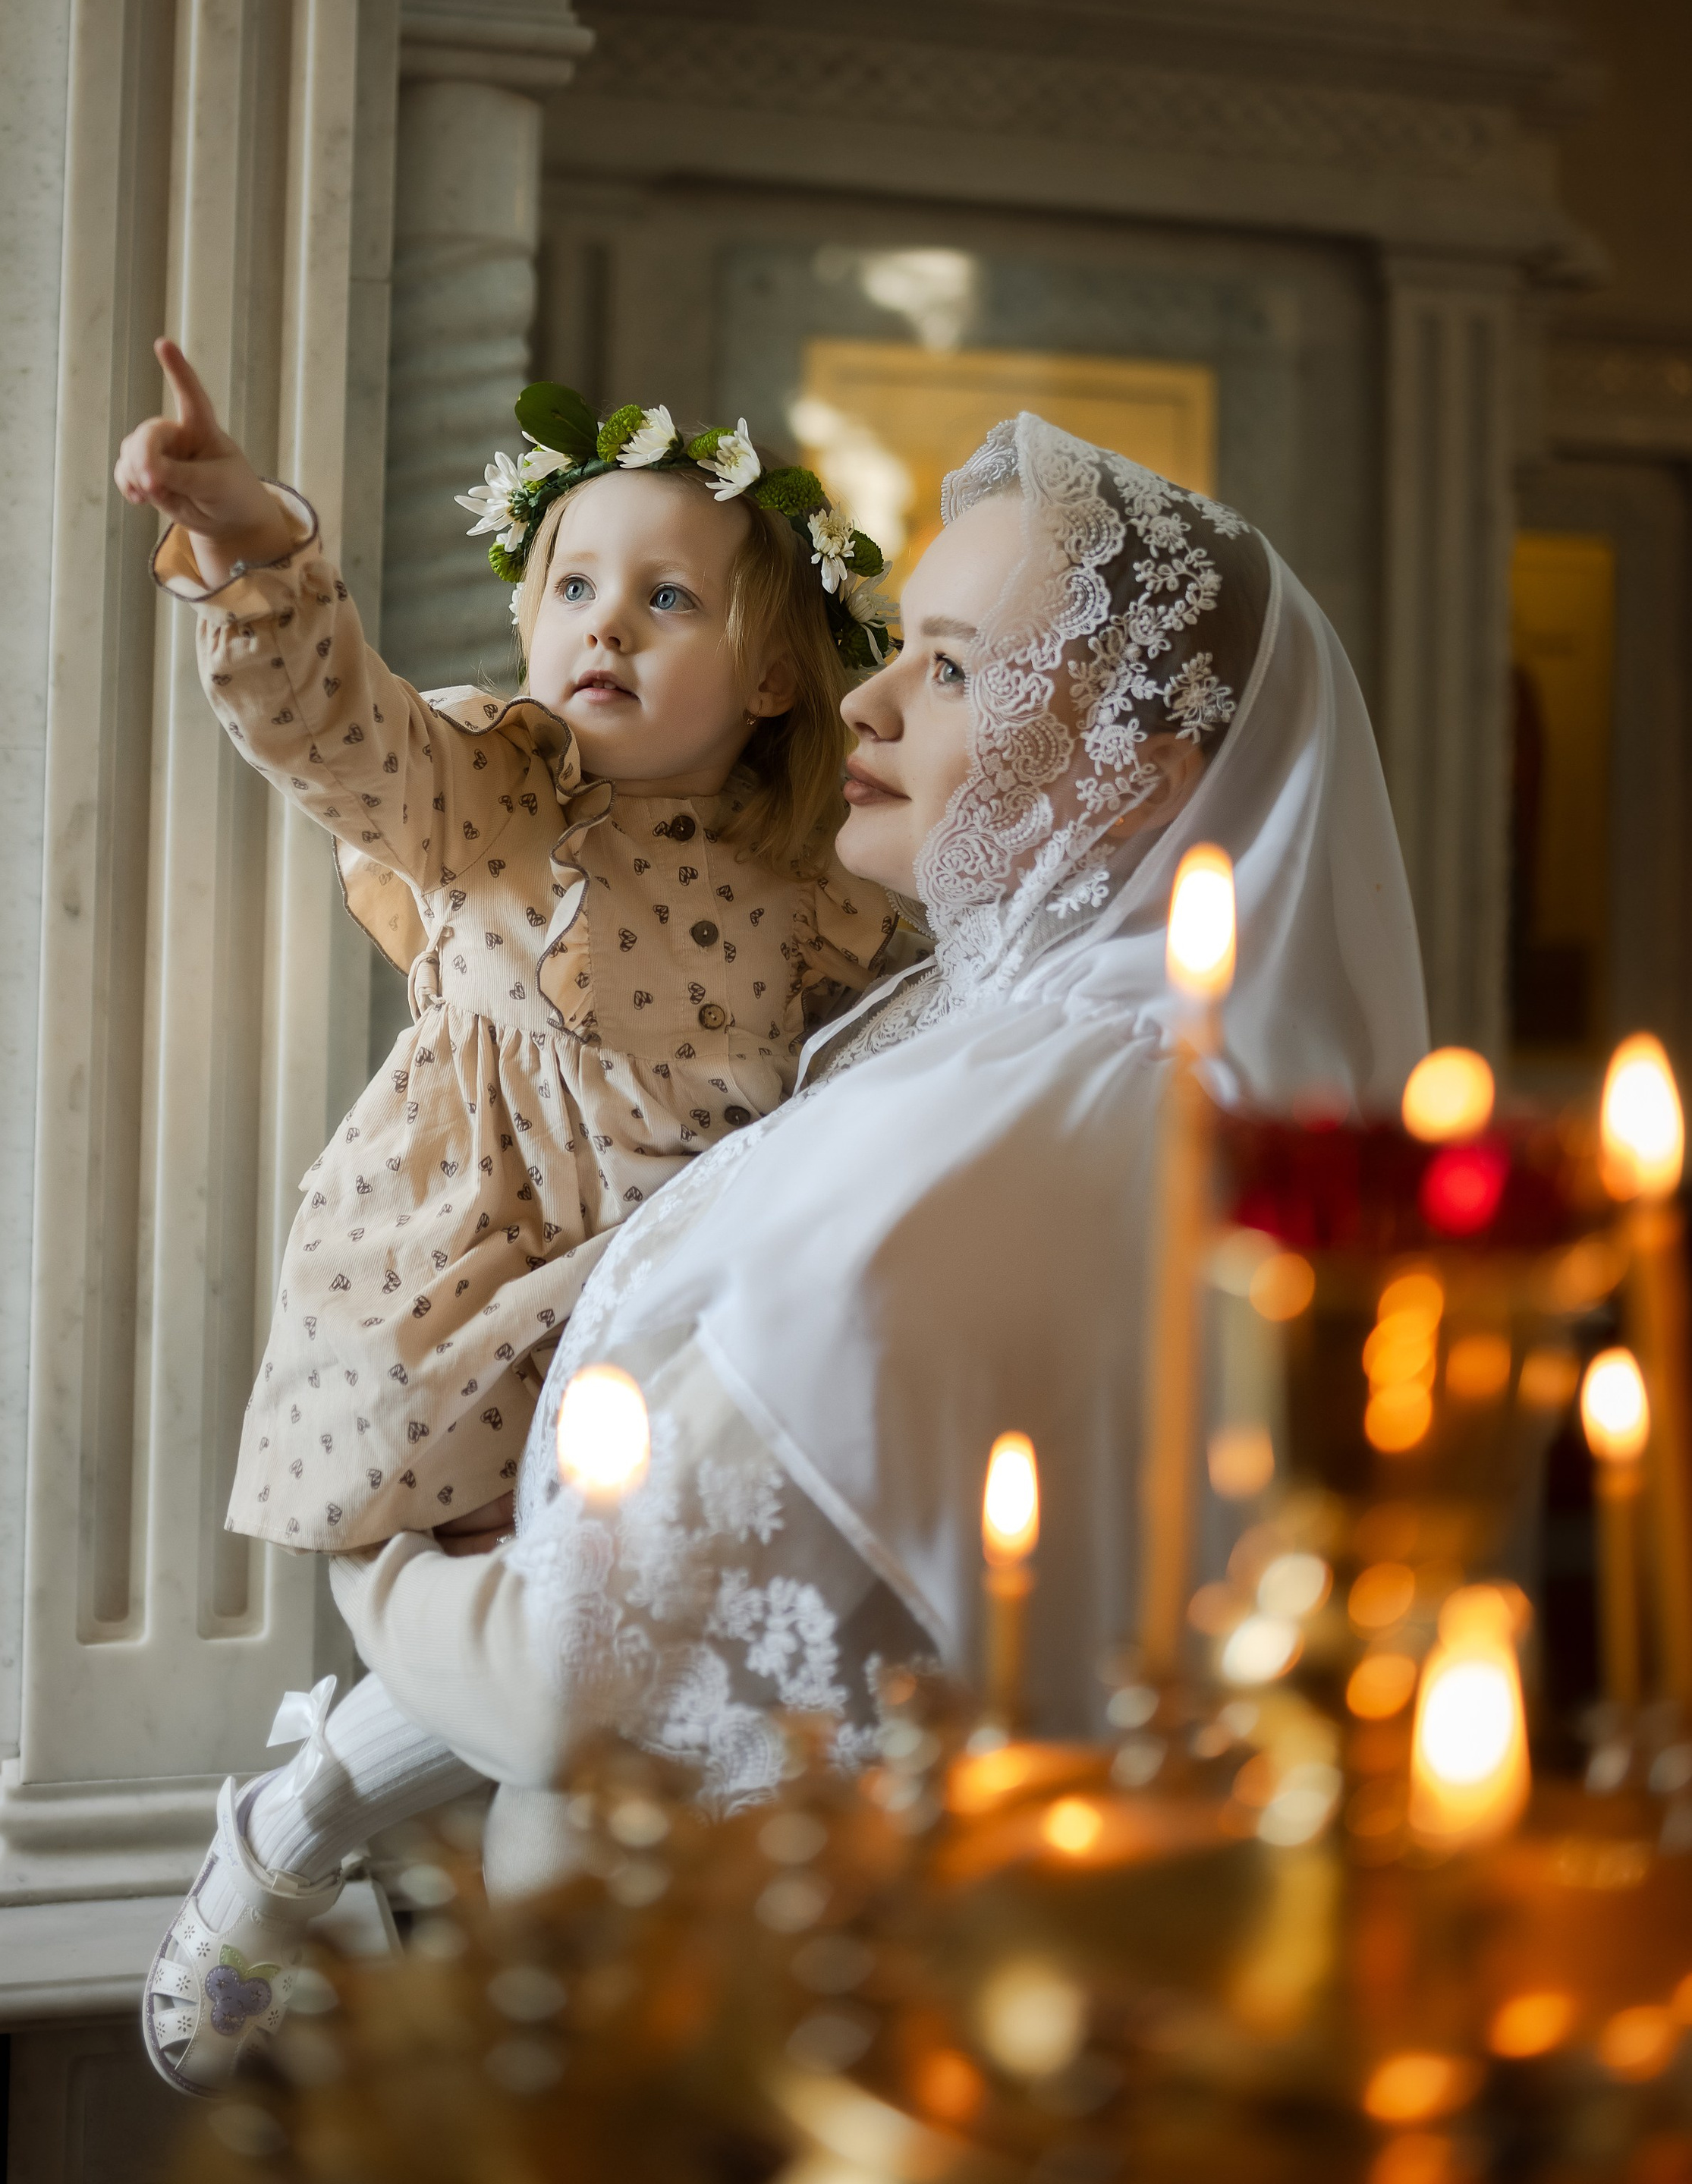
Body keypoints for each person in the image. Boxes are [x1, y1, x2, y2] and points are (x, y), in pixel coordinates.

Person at [141, 412, 1428, 2088]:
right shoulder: (1018, 1041)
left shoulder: (1005, 1138)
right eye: (893, 653)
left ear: (1129, 771)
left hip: (710, 2032)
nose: (870, 702)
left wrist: (362, 1544)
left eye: (954, 672)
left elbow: (568, 1689)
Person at [116, 345, 901, 2090]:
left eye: (663, 597)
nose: (597, 628)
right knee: (545, 1634)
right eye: (569, 585)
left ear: (774, 671)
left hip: (674, 1298)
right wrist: (256, 548)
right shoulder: (497, 786)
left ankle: (376, 1841)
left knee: (644, 1638)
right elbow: (340, 729)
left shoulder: (811, 887)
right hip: (478, 1273)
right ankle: (299, 1822)